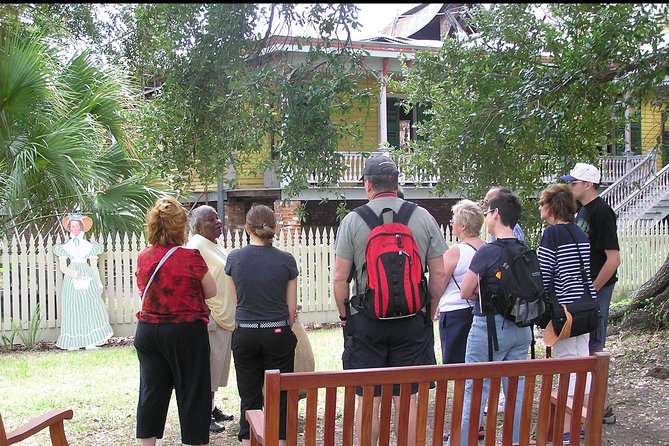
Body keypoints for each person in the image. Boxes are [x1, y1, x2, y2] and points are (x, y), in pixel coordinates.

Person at [333, 154, 448, 445]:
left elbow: (339, 279)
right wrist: (429, 310)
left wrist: (345, 317)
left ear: (367, 185)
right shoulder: (422, 217)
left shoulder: (353, 221)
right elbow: (439, 273)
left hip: (366, 321)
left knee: (368, 399)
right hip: (412, 321)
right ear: (397, 183)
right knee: (406, 400)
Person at [134, 197, 217, 446]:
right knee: (193, 391)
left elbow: (142, 288)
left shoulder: (143, 257)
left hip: (148, 330)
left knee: (151, 391)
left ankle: (147, 442)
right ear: (181, 227)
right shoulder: (190, 257)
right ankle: (193, 441)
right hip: (185, 331)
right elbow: (211, 290)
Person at [458, 191, 533, 446]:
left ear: (497, 214)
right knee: (516, 390)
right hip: (522, 329)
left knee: (476, 388)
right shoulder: (524, 249)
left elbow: (465, 291)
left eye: (488, 211)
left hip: (489, 330)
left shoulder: (488, 251)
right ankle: (514, 440)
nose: (487, 216)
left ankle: (465, 441)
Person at [224, 204, 298, 446]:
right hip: (277, 331)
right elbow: (291, 309)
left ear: (247, 229)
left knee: (249, 394)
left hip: (245, 333)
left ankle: (248, 439)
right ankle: (281, 440)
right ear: (274, 228)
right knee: (281, 395)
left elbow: (237, 301)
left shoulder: (234, 259)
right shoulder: (286, 261)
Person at [561, 162, 620, 425]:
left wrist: (593, 290)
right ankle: (598, 406)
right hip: (585, 291)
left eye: (573, 183)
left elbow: (613, 259)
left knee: (595, 345)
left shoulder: (602, 212)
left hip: (598, 291)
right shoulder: (583, 211)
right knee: (587, 345)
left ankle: (599, 409)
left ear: (587, 184)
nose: (570, 186)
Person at [537, 184, 598, 441]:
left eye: (542, 203)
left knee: (566, 366)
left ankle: (565, 427)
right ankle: (582, 421)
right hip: (585, 306)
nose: (540, 208)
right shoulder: (579, 233)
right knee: (581, 362)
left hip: (564, 310)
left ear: (551, 207)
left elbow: (543, 273)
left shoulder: (552, 235)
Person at [186, 205, 235, 434]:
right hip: (213, 316)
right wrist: (206, 308)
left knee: (218, 368)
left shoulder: (214, 245)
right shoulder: (195, 246)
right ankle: (203, 414)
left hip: (226, 314)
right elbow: (191, 280)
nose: (218, 222)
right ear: (198, 226)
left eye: (217, 218)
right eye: (210, 219)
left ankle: (212, 406)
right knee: (209, 368)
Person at [54, 214, 113, 351]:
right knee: (73, 308)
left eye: (77, 226)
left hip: (88, 276)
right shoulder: (64, 247)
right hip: (72, 279)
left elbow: (93, 266)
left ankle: (90, 341)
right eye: (72, 226)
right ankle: (73, 342)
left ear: (82, 228)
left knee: (90, 306)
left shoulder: (89, 247)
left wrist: (98, 282)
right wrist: (75, 274)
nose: (75, 229)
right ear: (69, 228)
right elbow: (63, 267)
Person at [437, 200, 485, 364]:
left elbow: (439, 283)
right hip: (479, 312)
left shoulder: (455, 251)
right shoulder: (486, 248)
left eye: (453, 220)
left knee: (455, 365)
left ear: (463, 226)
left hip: (455, 312)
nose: (451, 224)